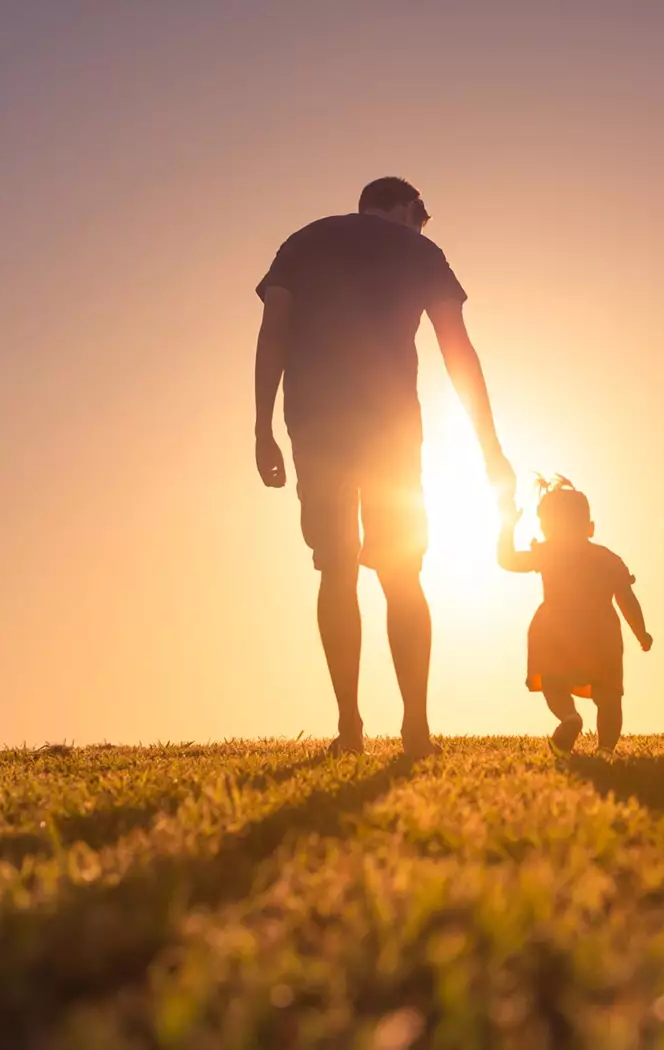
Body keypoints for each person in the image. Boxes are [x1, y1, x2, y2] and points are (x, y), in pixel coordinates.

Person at [253, 176, 515, 758]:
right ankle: (416, 729)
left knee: (335, 570)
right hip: (390, 426)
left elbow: (272, 333)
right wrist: (489, 446)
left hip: (315, 423)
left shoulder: (304, 241)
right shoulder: (419, 250)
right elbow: (458, 351)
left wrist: (261, 426)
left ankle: (349, 728)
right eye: (422, 216)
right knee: (402, 575)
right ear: (407, 209)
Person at [497, 477, 652, 756]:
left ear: (546, 529)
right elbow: (626, 598)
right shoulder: (608, 558)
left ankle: (569, 717)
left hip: (556, 631)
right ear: (590, 527)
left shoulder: (548, 552)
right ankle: (605, 748)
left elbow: (507, 560)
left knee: (554, 682)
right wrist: (641, 633)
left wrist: (507, 525)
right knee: (609, 697)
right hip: (601, 636)